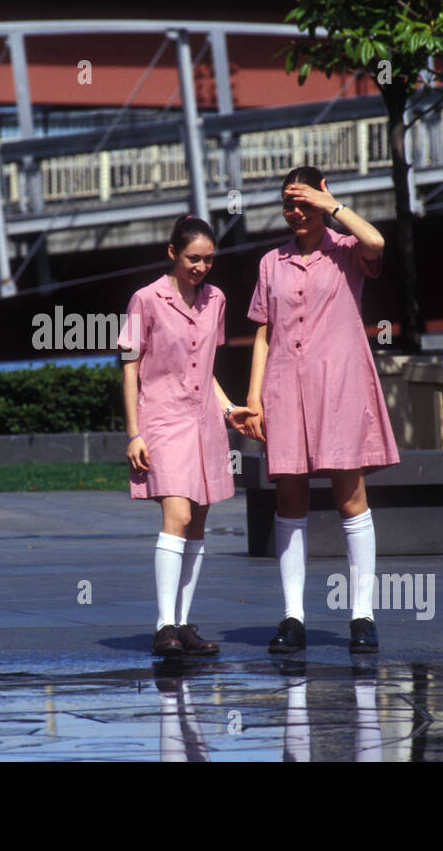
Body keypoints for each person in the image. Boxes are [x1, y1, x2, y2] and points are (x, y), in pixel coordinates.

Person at [244, 167, 400, 654]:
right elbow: (263, 331)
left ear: (322, 199)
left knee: (350, 496)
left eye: (303, 203)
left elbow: (377, 241)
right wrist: (252, 398)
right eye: (288, 204)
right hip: (285, 386)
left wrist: (331, 205)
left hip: (340, 384)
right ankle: (293, 617)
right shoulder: (272, 261)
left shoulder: (346, 249)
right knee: (290, 499)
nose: (295, 212)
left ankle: (362, 616)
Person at [119, 214, 256, 659]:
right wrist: (133, 433)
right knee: (176, 516)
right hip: (161, 421)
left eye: (208, 260)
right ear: (173, 254)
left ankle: (182, 624)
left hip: (205, 424)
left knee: (198, 524)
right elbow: (130, 368)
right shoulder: (146, 299)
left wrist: (229, 408)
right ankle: (164, 627)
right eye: (193, 258)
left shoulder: (215, 299)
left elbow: (206, 371)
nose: (200, 267)